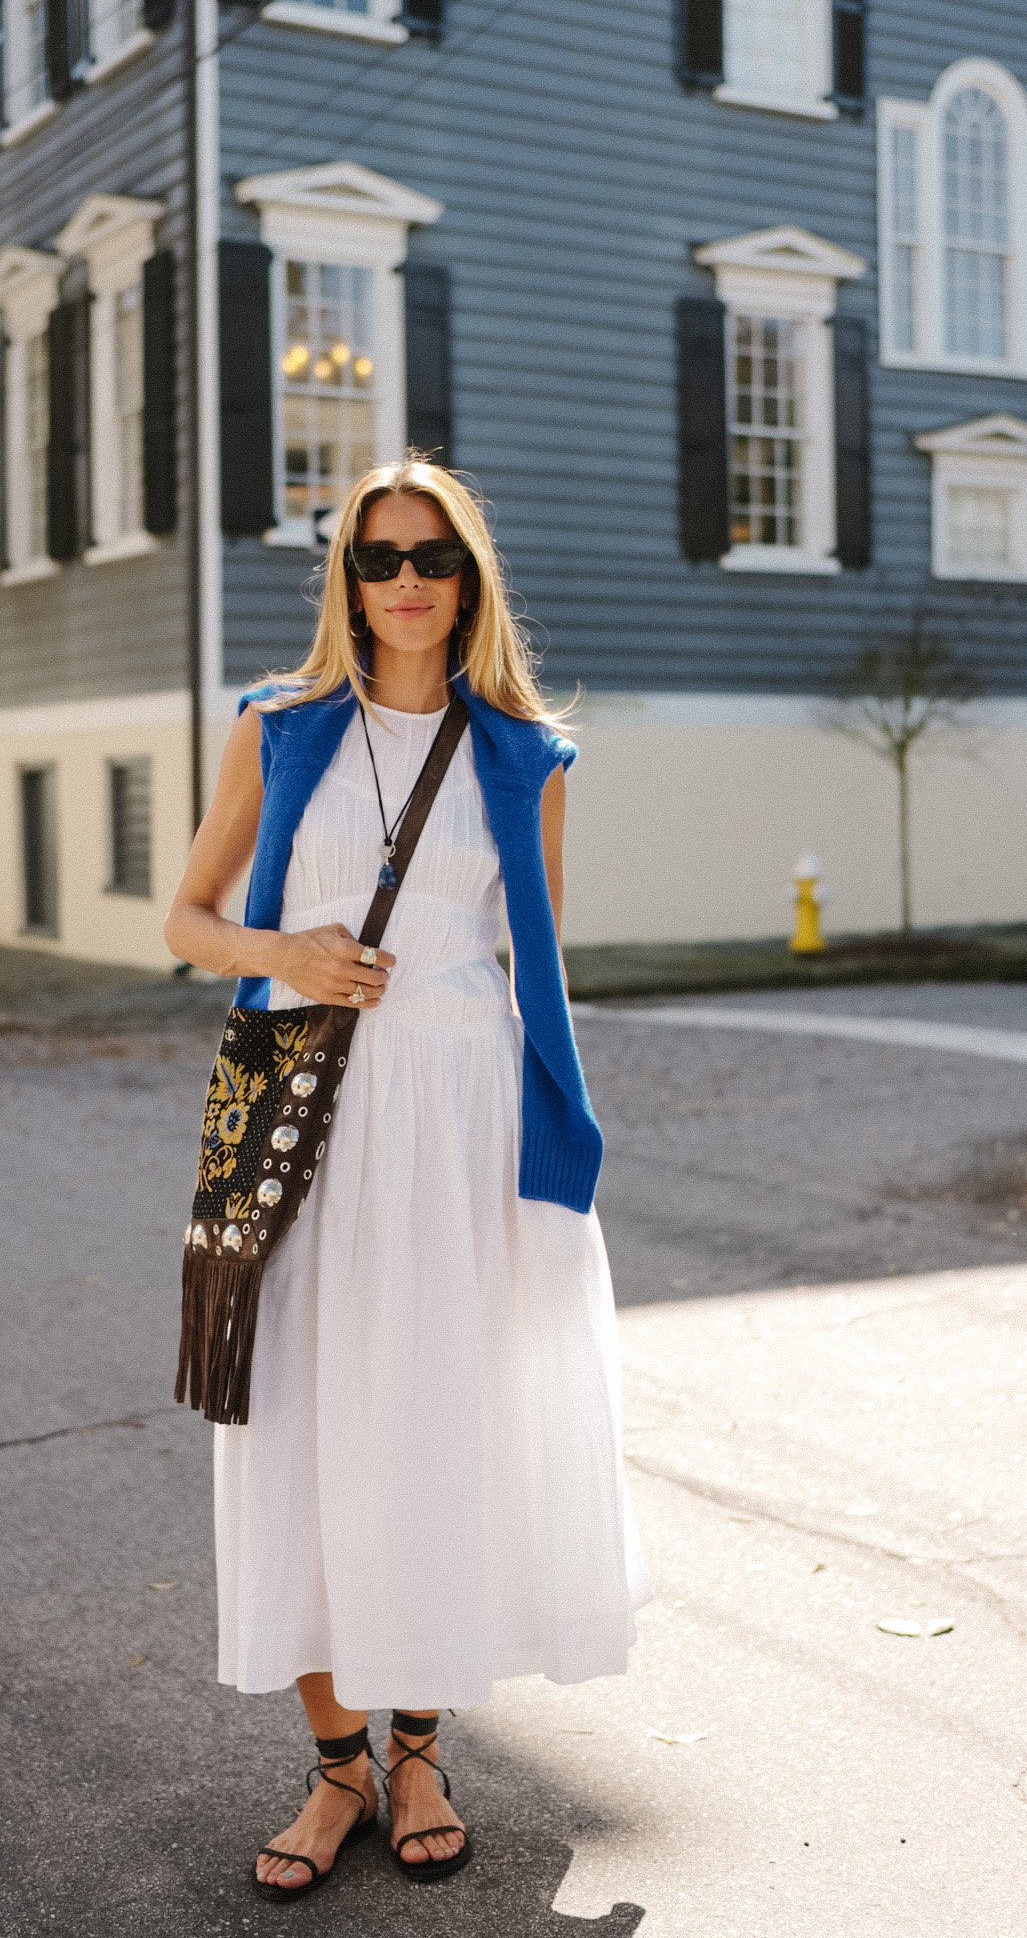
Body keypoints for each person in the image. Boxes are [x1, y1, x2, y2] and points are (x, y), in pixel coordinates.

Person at [164, 456, 651, 1899]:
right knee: (301, 1430)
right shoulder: (279, 729)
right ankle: (336, 1770)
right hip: (304, 1113)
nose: (407, 582)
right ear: (348, 579)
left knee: (437, 1432)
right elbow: (190, 921)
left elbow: (535, 971)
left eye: (433, 556)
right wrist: (288, 955)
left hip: (457, 1121)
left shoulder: (527, 757)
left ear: (470, 577)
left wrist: (549, 1168)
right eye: (378, 558)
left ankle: (423, 1748)